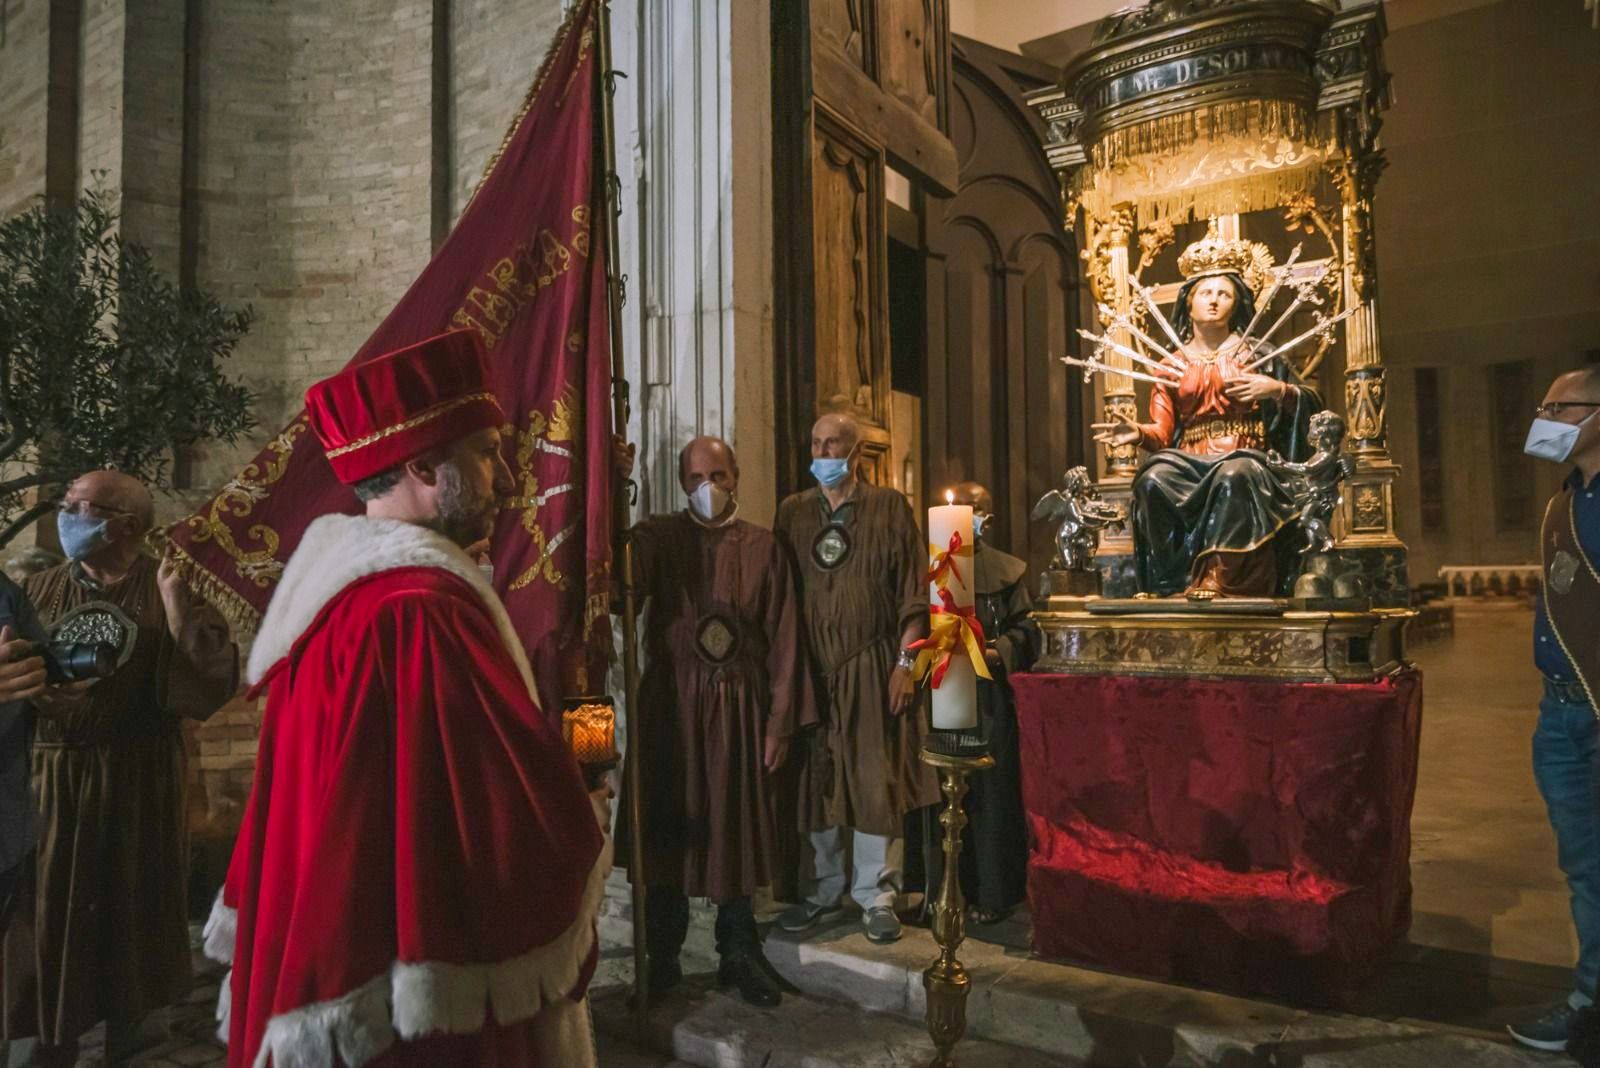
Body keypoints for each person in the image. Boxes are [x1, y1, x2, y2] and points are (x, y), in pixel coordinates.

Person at [205, 329, 610, 1067]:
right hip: (400, 994)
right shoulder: (419, 610)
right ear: (424, 462)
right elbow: (499, 819)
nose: (504, 475)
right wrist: (589, 796)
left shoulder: (336, 595)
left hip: (343, 940)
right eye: (484, 452)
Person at [1, 471, 238, 1067]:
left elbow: (206, 692)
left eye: (81, 506)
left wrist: (181, 615)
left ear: (126, 525)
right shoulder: (39, 588)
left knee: (135, 912)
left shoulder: (172, 586)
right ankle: (47, 1043)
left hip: (140, 779)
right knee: (50, 920)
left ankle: (136, 1045)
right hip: (52, 781)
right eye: (69, 503)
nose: (67, 513)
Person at [620, 435, 813, 1007]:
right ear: (683, 485)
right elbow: (615, 580)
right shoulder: (660, 539)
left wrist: (779, 722)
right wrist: (611, 485)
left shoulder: (763, 547)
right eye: (696, 478)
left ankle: (737, 952)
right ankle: (662, 957)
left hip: (737, 710)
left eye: (719, 475)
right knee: (667, 829)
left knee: (733, 824)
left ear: (737, 476)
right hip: (671, 711)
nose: (708, 487)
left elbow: (783, 641)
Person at [775, 412, 936, 945]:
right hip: (812, 669)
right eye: (816, 442)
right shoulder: (794, 513)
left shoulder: (889, 508)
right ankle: (824, 891)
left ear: (856, 451)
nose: (822, 452)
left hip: (872, 664)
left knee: (874, 778)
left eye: (833, 443)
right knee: (817, 781)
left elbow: (916, 595)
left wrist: (904, 665)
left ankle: (877, 894)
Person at [1093, 230, 1323, 599]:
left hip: (1247, 453)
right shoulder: (1171, 365)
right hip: (1190, 459)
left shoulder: (1259, 354)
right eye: (1206, 292)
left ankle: (1221, 578)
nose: (1214, 301)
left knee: (1236, 475)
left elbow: (1312, 402)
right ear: (1189, 302)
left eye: (1224, 293)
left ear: (1237, 303)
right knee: (1151, 480)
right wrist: (1137, 431)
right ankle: (1167, 582)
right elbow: (1164, 434)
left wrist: (1277, 390)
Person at [1507, 366, 1600, 1053]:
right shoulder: (1563, 503)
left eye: (1559, 407)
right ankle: (1591, 998)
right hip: (1561, 714)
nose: (1544, 418)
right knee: (1586, 868)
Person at [915, 482, 1040, 925]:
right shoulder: (935, 566)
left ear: (991, 516)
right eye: (962, 509)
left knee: (988, 793)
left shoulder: (1008, 571)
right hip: (944, 690)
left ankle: (992, 891)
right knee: (942, 790)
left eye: (978, 509)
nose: (970, 516)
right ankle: (943, 890)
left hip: (988, 697)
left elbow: (1027, 629)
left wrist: (996, 651)